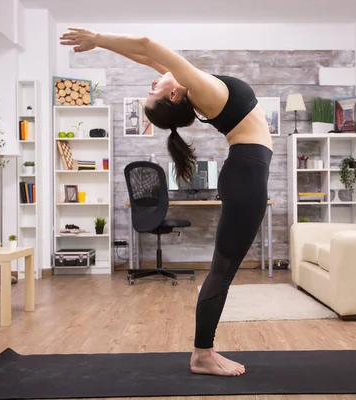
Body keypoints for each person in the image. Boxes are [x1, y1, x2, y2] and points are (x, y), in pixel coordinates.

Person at [60, 28, 273, 377]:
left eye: (150, 88)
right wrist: (97, 39)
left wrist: (104, 44)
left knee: (223, 270)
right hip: (247, 176)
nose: (152, 83)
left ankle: (203, 351)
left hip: (246, 172)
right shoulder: (202, 89)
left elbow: (147, 57)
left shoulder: (193, 88)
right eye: (154, 90)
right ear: (175, 95)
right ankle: (202, 354)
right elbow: (147, 45)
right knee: (222, 271)